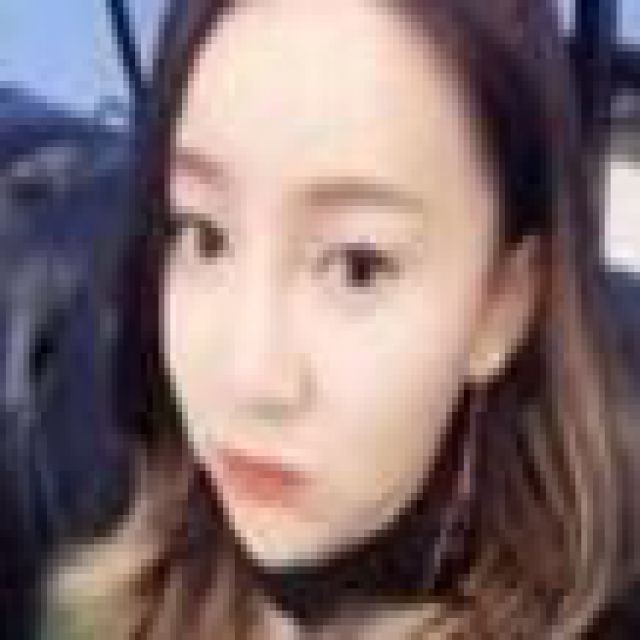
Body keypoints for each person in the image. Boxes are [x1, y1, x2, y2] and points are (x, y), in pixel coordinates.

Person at [39, 0, 640, 637]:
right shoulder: (105, 538)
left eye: (358, 267)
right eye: (205, 236)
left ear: (503, 304)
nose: (248, 378)